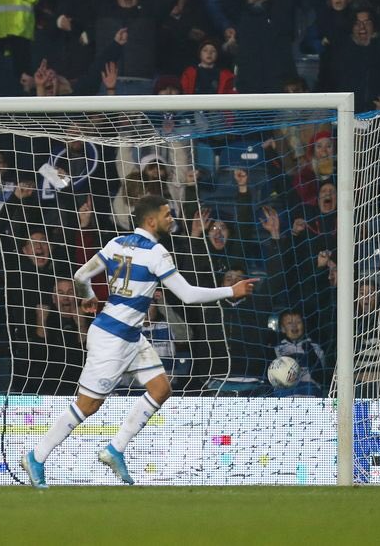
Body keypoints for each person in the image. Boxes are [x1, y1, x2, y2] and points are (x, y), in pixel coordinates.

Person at [21, 194, 257, 488]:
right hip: (113, 339)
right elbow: (188, 295)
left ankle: (114, 449)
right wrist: (230, 292)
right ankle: (36, 455)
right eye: (167, 214)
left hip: (129, 335)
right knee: (88, 405)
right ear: (150, 220)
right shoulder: (157, 254)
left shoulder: (116, 243)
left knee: (160, 389)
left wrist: (89, 299)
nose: (172, 219)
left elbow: (81, 275)